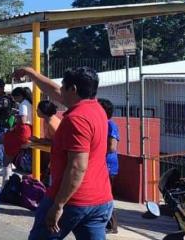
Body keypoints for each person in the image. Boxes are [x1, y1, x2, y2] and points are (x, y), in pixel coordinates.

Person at [16, 66, 113, 240]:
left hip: (72, 200)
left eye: (63, 86)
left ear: (73, 89)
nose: (59, 90)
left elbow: (77, 167)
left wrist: (58, 205)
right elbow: (54, 90)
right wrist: (32, 74)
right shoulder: (97, 109)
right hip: (101, 200)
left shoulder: (76, 119)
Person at [99, 98, 119, 234]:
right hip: (101, 164)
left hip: (108, 166)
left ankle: (112, 225)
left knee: (106, 195)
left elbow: (112, 146)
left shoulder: (110, 125)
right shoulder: (101, 123)